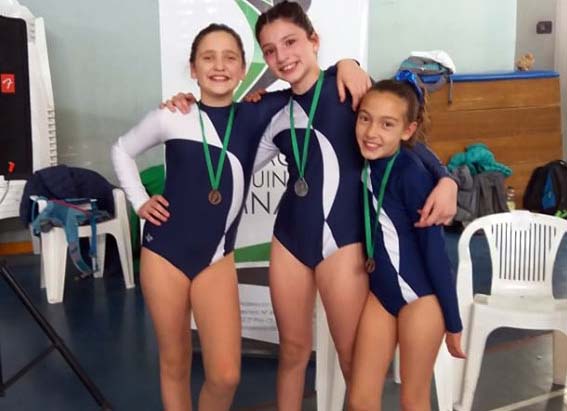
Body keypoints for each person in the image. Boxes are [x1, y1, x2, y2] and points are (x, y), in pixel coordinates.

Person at [164, 3, 457, 409]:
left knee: (353, 359)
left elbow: (401, 136)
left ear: (314, 40)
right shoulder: (269, 107)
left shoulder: (350, 89)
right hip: (290, 239)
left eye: (291, 42)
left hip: (343, 242)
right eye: (270, 50)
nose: (282, 56)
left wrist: (446, 177)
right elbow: (217, 121)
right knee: (293, 352)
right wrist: (186, 104)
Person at [112, 22, 369, 411]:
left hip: (216, 260)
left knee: (225, 376)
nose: (219, 66)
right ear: (193, 68)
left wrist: (347, 64)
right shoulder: (173, 115)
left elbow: (307, 85)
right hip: (163, 255)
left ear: (243, 68)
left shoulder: (257, 113)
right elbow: (121, 150)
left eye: (230, 57)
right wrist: (139, 201)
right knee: (175, 361)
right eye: (208, 58)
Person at [348, 76, 466, 411]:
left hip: (421, 300)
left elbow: (435, 252)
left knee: (413, 401)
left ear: (407, 130)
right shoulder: (365, 159)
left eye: (387, 124)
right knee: (359, 399)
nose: (371, 132)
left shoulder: (412, 174)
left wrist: (453, 322)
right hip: (382, 296)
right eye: (365, 119)